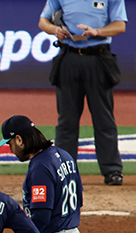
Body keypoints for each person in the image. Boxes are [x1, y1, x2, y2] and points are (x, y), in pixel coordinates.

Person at [39, 0, 127, 185]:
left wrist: (97, 31)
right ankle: (63, 171)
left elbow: (119, 26)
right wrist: (55, 30)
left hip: (98, 57)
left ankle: (112, 170)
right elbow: (43, 21)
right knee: (66, 121)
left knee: (103, 119)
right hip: (69, 57)